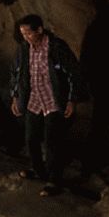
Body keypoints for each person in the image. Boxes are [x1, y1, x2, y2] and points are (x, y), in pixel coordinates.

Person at [10, 14, 85, 196]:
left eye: (29, 33)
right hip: (34, 99)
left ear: (40, 30)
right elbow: (16, 73)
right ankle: (38, 170)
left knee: (52, 141)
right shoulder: (24, 49)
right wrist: (15, 97)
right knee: (31, 138)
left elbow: (73, 73)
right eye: (23, 34)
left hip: (53, 100)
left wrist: (71, 99)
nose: (26, 37)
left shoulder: (56, 48)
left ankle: (53, 180)